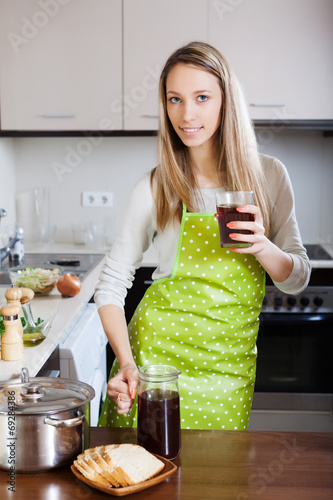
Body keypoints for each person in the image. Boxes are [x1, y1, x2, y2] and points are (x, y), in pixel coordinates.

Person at [95, 41, 311, 431]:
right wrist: (128, 364)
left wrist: (261, 244)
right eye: (174, 99)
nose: (187, 114)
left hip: (229, 369)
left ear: (226, 101)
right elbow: (110, 286)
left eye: (202, 97)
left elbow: (297, 278)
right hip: (156, 365)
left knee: (219, 482)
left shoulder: (270, 177)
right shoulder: (156, 185)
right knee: (146, 476)